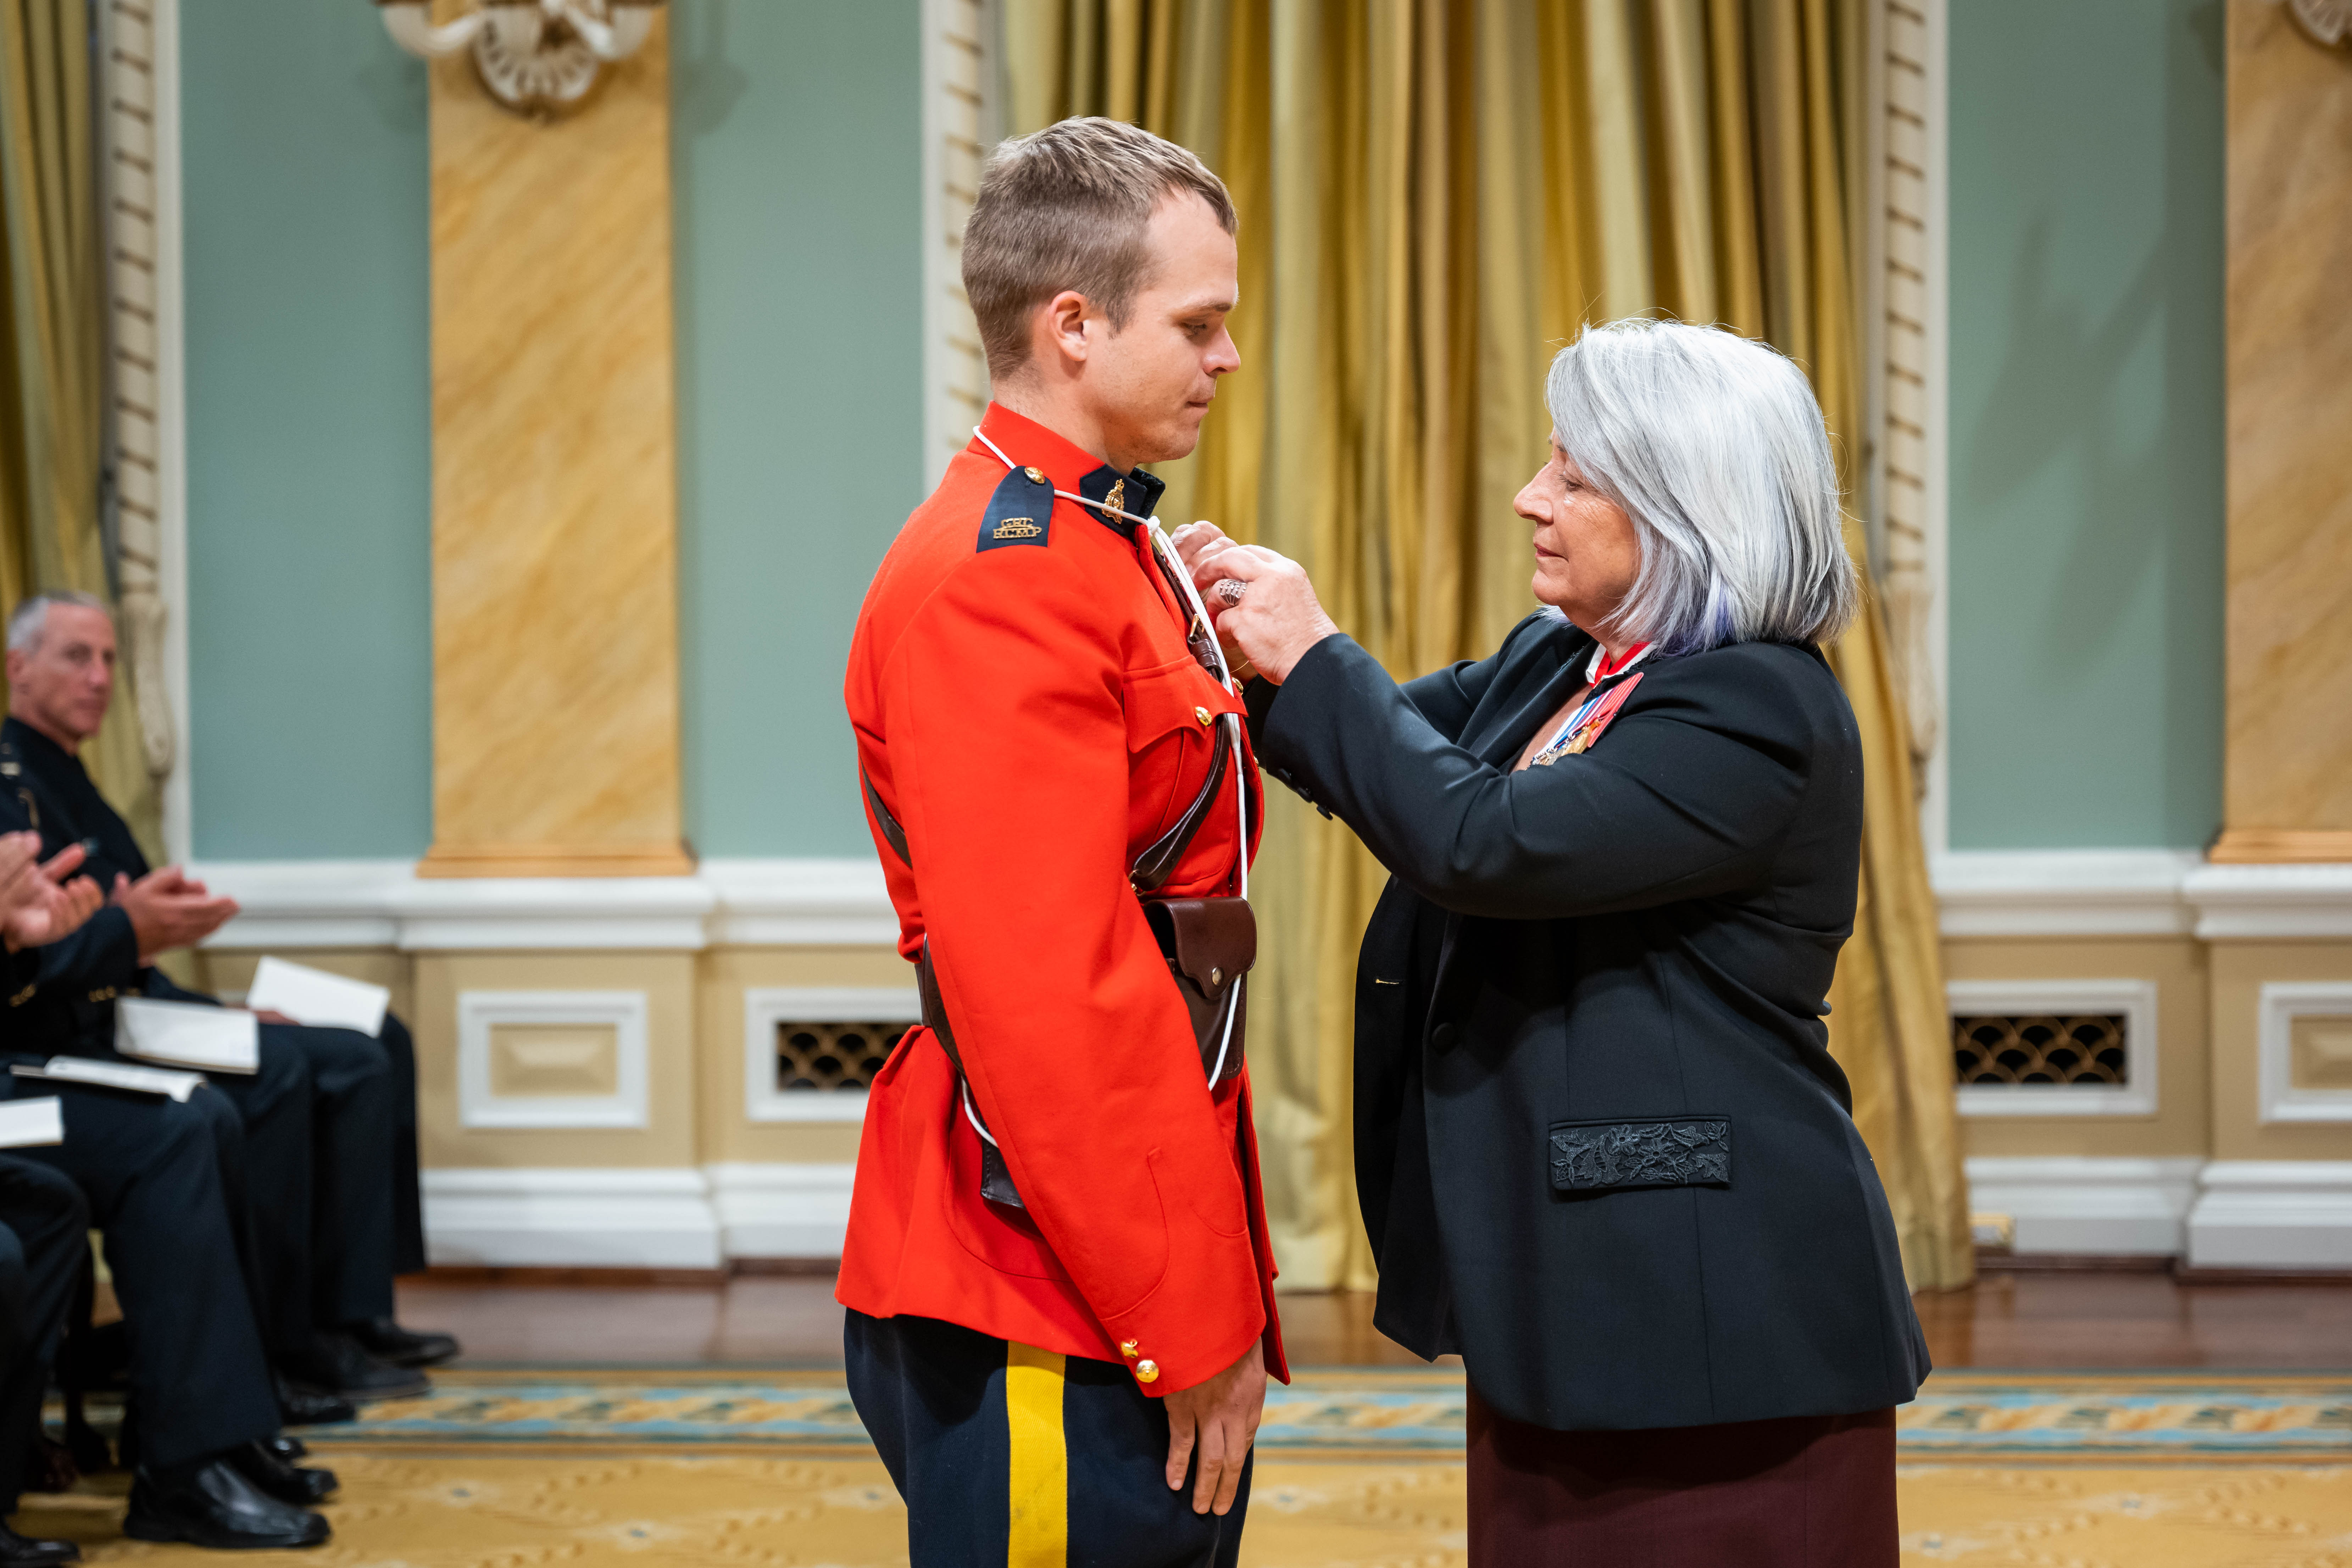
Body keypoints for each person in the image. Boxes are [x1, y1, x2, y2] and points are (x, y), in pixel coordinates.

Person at [1183, 318, 1929, 1565]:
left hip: (1708, 1311)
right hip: (1570, 1289)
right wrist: (1211, 626)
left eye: (1574, 478)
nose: (1533, 498)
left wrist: (1312, 648)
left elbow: (1479, 839)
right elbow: (1375, 752)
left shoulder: (1755, 704)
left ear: (1685, 509)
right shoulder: (1572, 657)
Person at [840, 116, 1284, 1567]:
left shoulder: (1096, 543)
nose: (1227, 356)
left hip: (1097, 1222)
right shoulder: (1007, 581)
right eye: (1198, 324)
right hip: (1041, 1256)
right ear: (1074, 325)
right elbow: (1052, 1001)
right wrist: (1187, 1315)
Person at [0, 592, 455, 1401]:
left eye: (108, 659)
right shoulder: (16, 788)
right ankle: (286, 1342)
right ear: (18, 668)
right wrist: (133, 936)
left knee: (377, 1038)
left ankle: (348, 1314)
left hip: (130, 1011)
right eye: (77, 656)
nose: (100, 678)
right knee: (291, 1072)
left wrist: (213, 1008)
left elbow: (130, 952)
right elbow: (56, 960)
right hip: (72, 1035)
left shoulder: (75, 779)